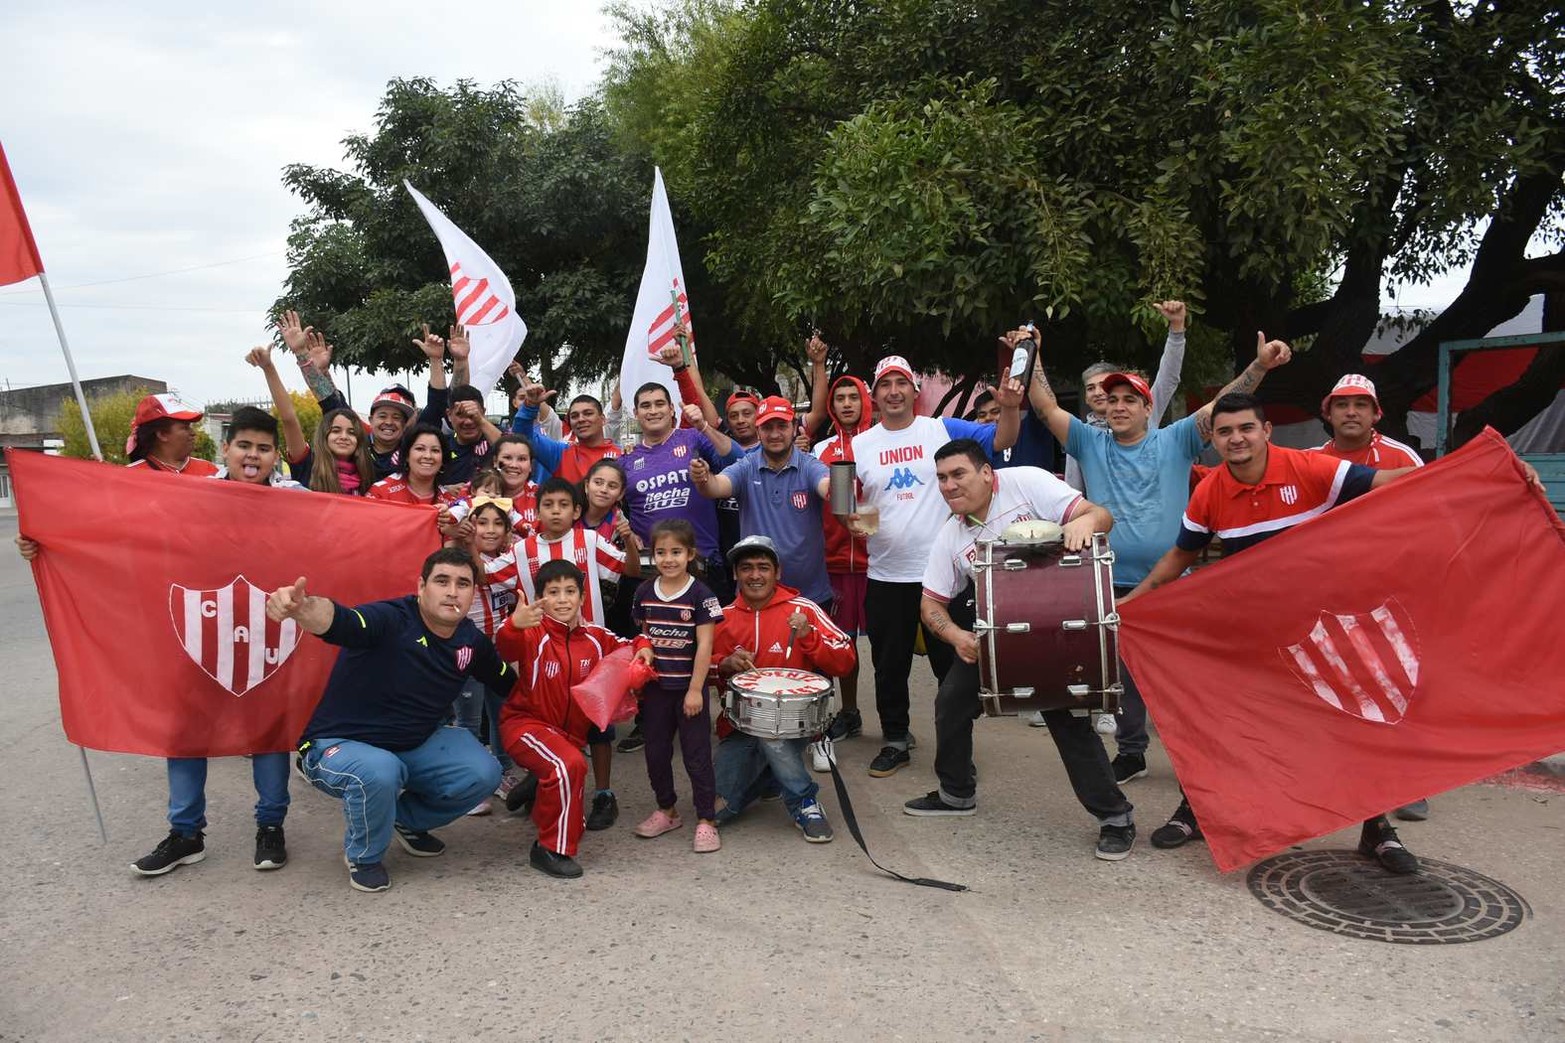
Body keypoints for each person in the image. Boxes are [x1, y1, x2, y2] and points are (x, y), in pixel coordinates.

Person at [1121, 393, 1424, 872]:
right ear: (1214, 442)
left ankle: (1377, 829)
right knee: (1210, 721)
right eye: (1224, 432)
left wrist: (1487, 468)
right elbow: (1176, 561)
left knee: (1350, 725)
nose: (1235, 438)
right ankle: (1197, 810)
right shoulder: (1210, 492)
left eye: (1245, 428)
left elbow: (1396, 481)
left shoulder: (1309, 469)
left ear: (1266, 432)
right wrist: (1127, 605)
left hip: (1320, 629)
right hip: (1247, 632)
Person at [18, 406, 304, 876]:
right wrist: (46, 540)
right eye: (245, 446)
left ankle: (271, 827)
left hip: (268, 628)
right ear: (227, 449)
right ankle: (185, 833)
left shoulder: (296, 498)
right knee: (186, 730)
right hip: (198, 625)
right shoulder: (188, 493)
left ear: (275, 455)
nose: (253, 456)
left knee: (270, 730)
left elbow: (346, 531)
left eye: (264, 448)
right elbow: (117, 531)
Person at [1025, 315, 1293, 784]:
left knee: (1183, 677)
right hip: (1109, 579)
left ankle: (1199, 756)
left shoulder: (1177, 438)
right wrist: (1034, 351)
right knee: (1124, 676)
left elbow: (1222, 406)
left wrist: (1259, 365)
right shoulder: (1090, 442)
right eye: (1112, 400)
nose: (1120, 406)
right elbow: (1045, 405)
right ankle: (1132, 751)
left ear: (1149, 407)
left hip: (1172, 582)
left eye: (1131, 399)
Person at [904, 440, 1136, 858]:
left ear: (987, 474)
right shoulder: (952, 534)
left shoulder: (1027, 483)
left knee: (1066, 722)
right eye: (941, 478)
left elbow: (1102, 515)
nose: (949, 486)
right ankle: (956, 793)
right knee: (950, 703)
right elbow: (930, 603)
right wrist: (957, 636)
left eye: (959, 474)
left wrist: (1085, 523)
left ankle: (1115, 817)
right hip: (998, 638)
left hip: (1057, 634)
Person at [273, 547, 518, 893]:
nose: (452, 591)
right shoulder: (391, 618)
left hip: (412, 744)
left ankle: (404, 821)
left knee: (485, 772)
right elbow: (341, 622)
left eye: (463, 583)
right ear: (421, 587)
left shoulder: (471, 642)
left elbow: (508, 682)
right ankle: (364, 855)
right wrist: (303, 609)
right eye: (442, 581)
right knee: (379, 771)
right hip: (338, 745)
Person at [849, 355, 1023, 778]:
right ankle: (895, 739)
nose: (893, 392)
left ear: (914, 390)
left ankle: (956, 748)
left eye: (901, 383)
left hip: (946, 575)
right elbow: (849, 505)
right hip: (886, 573)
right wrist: (853, 523)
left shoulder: (941, 429)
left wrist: (1013, 406)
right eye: (885, 384)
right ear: (875, 395)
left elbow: (1001, 439)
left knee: (953, 667)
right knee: (888, 667)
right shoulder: (860, 445)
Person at [1306, 373, 1431, 822]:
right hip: (1329, 595)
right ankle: (1345, 777)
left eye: (1361, 404)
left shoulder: (1402, 456)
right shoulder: (1310, 461)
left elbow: (1437, 505)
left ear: (1377, 412)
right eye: (1342, 405)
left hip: (1391, 592)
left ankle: (1408, 784)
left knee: (1399, 683)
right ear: (1328, 413)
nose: (1352, 412)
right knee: (1335, 683)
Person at [486, 476, 639, 828]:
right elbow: (486, 577)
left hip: (590, 650)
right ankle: (543, 779)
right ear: (536, 510)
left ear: (577, 511)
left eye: (563, 505)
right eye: (548, 505)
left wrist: (629, 540)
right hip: (543, 653)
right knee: (546, 721)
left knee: (599, 727)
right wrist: (462, 542)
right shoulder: (522, 550)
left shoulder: (590, 540)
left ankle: (603, 794)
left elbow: (628, 570)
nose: (556, 511)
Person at [495, 560, 655, 878]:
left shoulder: (595, 637)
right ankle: (549, 849)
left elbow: (630, 642)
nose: (564, 599)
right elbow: (505, 646)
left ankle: (538, 789)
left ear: (583, 598)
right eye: (553, 592)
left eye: (570, 591)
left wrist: (645, 648)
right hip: (524, 725)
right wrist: (515, 625)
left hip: (567, 738)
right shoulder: (531, 632)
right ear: (540, 598)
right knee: (569, 765)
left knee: (571, 800)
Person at [710, 536, 857, 842]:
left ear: (777, 572)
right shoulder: (722, 619)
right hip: (738, 726)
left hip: (795, 725)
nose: (755, 575)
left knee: (770, 731)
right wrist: (722, 664)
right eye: (746, 568)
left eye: (763, 567)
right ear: (736, 573)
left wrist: (809, 636)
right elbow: (697, 671)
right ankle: (771, 778)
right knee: (717, 809)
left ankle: (804, 800)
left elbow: (846, 660)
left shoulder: (804, 610)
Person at [629, 519, 724, 853]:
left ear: (690, 554)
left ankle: (706, 819)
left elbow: (705, 646)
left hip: (688, 690)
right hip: (656, 690)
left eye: (676, 552)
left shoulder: (701, 594)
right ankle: (667, 810)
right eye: (660, 552)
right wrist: (642, 648)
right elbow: (642, 634)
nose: (668, 559)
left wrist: (696, 689)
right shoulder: (643, 592)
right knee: (655, 753)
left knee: (697, 755)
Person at [689, 395, 834, 609]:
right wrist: (702, 478)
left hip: (809, 595)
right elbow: (717, 486)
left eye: (781, 426)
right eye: (767, 427)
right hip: (756, 593)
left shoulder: (809, 465)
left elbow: (826, 485)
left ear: (794, 428)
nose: (775, 434)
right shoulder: (746, 465)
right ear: (758, 431)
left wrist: (839, 487)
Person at [277, 311, 450, 480]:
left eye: (397, 417)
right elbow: (328, 400)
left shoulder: (413, 446)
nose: (389, 422)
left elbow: (437, 405)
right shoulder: (356, 441)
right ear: (371, 419)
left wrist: (435, 360)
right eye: (382, 415)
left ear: (405, 425)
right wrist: (302, 354)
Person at [805, 355, 873, 769]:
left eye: (853, 396)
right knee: (838, 644)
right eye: (840, 397)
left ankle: (894, 723)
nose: (847, 403)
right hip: (831, 562)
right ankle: (844, 713)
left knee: (885, 648)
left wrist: (865, 524)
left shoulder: (882, 443)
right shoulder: (820, 450)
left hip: (877, 562)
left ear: (865, 400)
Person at [619, 381, 743, 604]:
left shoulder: (692, 438)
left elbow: (737, 459)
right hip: (651, 569)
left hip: (703, 564)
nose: (654, 411)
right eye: (646, 406)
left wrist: (704, 426)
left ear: (671, 408)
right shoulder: (626, 459)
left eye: (660, 404)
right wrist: (625, 532)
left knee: (711, 638)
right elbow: (602, 501)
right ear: (636, 413)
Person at [446, 495, 525, 816]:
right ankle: (469, 782)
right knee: (466, 719)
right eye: (482, 523)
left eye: (498, 524)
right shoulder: (457, 561)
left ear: (508, 531)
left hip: (500, 653)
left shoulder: (508, 562)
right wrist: (460, 537)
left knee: (502, 714)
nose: (490, 530)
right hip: (467, 652)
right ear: (470, 527)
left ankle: (502, 773)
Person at [1062, 300, 1189, 493]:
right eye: (1090, 388)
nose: (1097, 393)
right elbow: (1074, 491)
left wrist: (1177, 330)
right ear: (1086, 398)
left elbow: (1168, 377)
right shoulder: (1080, 437)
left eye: (1103, 387)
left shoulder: (1144, 414)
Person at [511, 376, 623, 484]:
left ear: (603, 419)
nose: (581, 419)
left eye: (588, 413)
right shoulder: (560, 454)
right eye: (574, 416)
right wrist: (530, 406)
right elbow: (522, 438)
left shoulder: (623, 455)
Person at [124, 394, 219, 476]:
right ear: (162, 434)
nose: (193, 433)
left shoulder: (209, 471)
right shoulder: (131, 477)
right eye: (185, 427)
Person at [368, 425, 451, 506]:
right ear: (407, 455)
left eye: (435, 450)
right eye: (420, 449)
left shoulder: (450, 504)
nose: (428, 456)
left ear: (442, 458)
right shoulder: (381, 492)